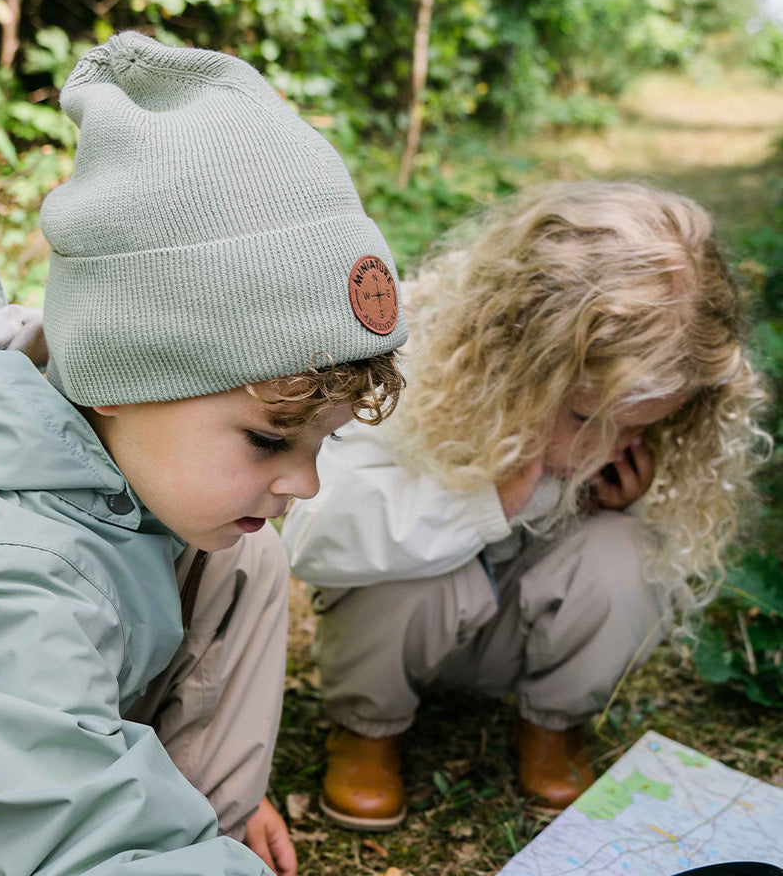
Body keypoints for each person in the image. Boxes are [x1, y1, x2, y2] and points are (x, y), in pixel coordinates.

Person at [0, 31, 408, 876]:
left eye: (317, 442)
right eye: (268, 438)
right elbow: (65, 821)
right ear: (119, 372)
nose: (302, 479)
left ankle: (197, 831)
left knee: (244, 555)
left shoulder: (134, 449)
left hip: (20, 741)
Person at [282, 181, 769, 830]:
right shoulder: (412, 378)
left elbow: (634, 586)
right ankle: (367, 728)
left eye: (637, 428)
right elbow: (313, 540)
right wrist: (484, 501)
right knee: (416, 574)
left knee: (628, 555)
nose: (610, 446)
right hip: (399, 636)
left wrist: (628, 510)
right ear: (521, 367)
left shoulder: (615, 444)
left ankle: (552, 726)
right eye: (586, 417)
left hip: (516, 635)